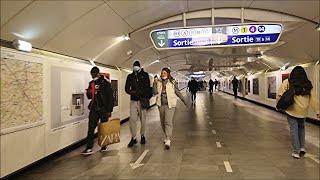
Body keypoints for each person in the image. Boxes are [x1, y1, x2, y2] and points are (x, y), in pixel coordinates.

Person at [276, 66, 319, 159]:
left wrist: (279, 105)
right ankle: (302, 147)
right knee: (302, 128)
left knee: (294, 130)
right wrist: (318, 111)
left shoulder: (287, 82)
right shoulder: (307, 84)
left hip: (291, 110)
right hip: (303, 111)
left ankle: (296, 151)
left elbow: (279, 95)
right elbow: (313, 98)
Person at [81, 67, 114, 155]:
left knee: (103, 128)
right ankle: (89, 148)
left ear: (98, 73)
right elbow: (89, 97)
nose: (93, 76)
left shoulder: (105, 82)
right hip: (94, 108)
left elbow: (110, 97)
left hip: (103, 108)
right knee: (91, 128)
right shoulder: (91, 83)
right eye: (91, 74)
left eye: (94, 74)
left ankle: (104, 145)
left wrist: (109, 110)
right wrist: (88, 93)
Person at [153, 68, 187, 149]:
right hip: (161, 105)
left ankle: (168, 139)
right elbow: (154, 92)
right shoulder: (158, 83)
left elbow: (177, 92)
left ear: (168, 74)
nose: (163, 74)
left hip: (170, 105)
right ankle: (166, 135)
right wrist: (154, 83)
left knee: (168, 121)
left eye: (164, 73)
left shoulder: (172, 82)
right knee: (162, 122)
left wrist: (184, 100)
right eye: (162, 73)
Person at [125, 61, 152, 147]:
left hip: (142, 100)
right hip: (133, 100)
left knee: (143, 118)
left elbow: (148, 87)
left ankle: (142, 135)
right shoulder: (130, 76)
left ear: (140, 67)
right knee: (132, 119)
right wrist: (132, 92)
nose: (136, 67)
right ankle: (133, 138)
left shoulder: (145, 75)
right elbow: (126, 88)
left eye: (137, 66)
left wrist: (141, 93)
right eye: (134, 66)